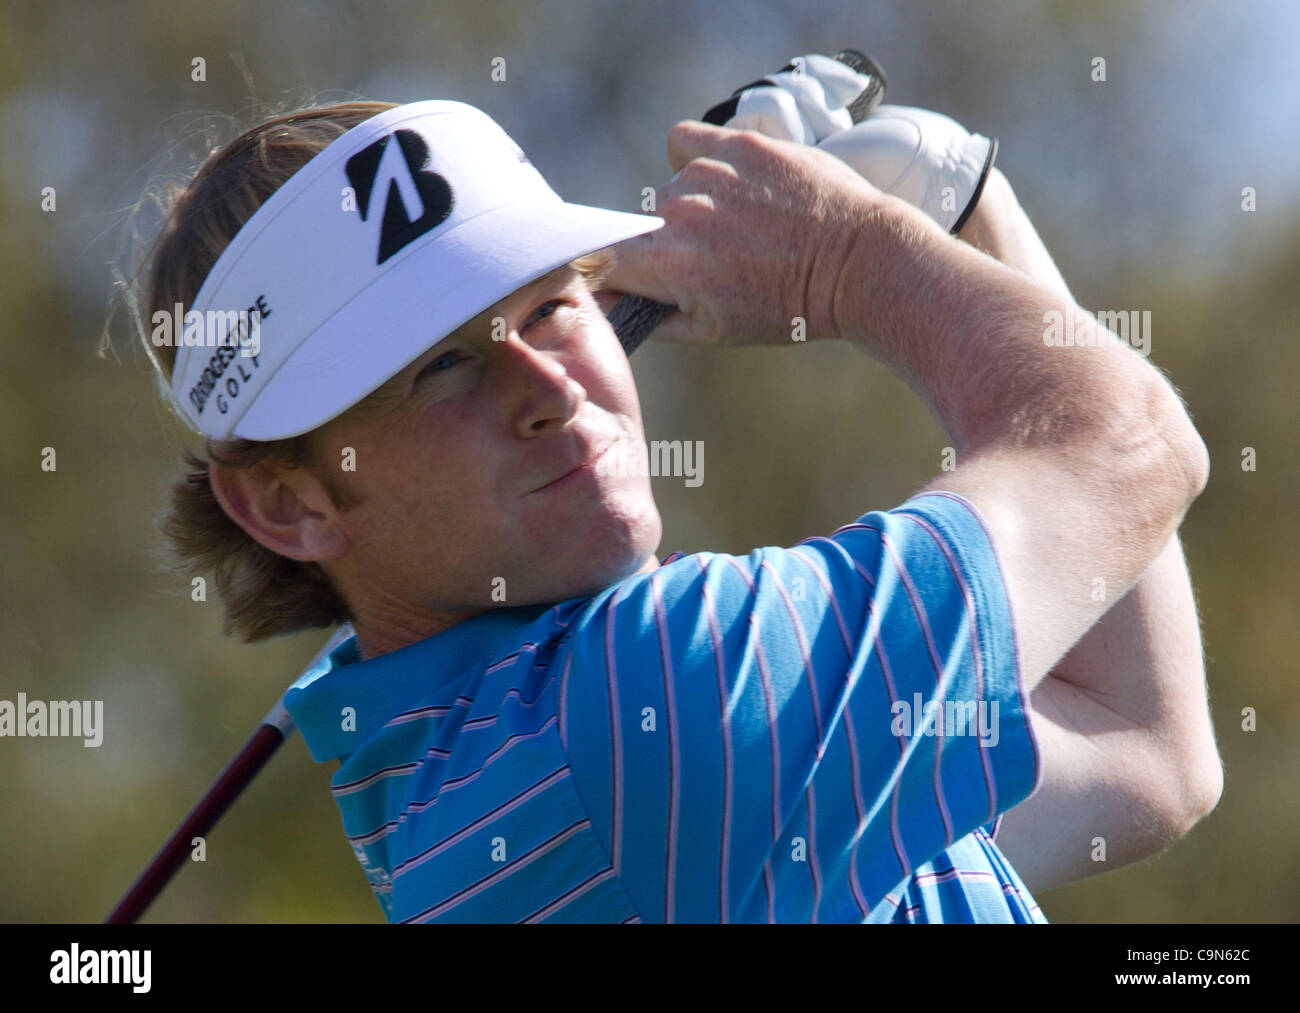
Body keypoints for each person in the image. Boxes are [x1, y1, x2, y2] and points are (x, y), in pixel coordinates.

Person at [131, 80, 1219, 922]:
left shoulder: (458, 771)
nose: (554, 392)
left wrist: (966, 211)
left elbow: (1142, 750)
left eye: (554, 306)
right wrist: (853, 259)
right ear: (289, 504)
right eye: (441, 367)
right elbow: (1131, 444)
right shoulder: (639, 711)